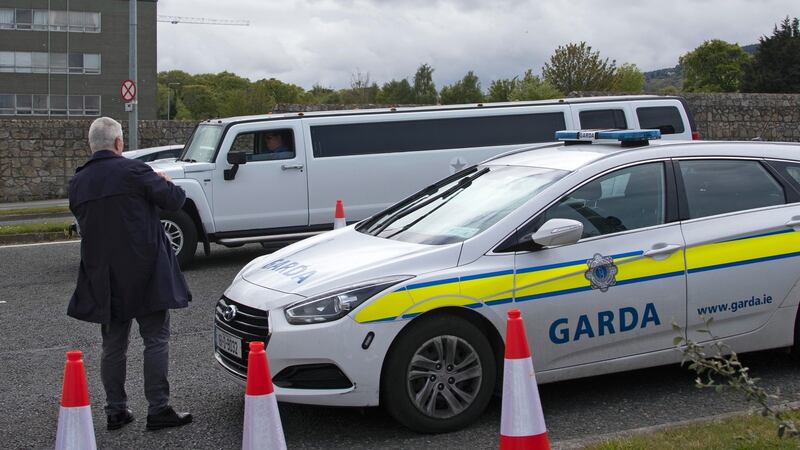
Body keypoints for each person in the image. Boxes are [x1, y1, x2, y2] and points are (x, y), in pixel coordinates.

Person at [68, 117, 193, 431]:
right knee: (155, 339)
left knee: (113, 346)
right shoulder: (135, 171)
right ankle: (159, 409)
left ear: (92, 145)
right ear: (119, 143)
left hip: (105, 277)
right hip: (146, 270)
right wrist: (164, 179)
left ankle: (116, 411)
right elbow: (176, 200)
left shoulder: (79, 181)